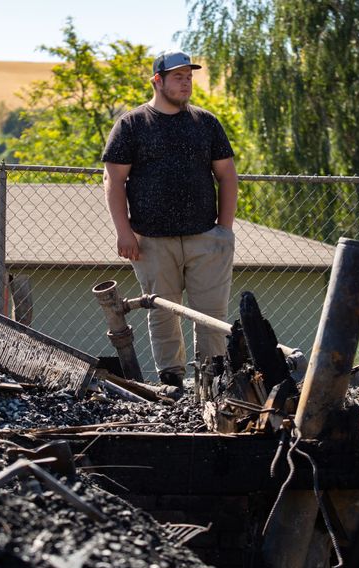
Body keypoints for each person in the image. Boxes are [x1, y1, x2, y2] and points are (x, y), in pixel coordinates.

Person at [101, 50, 238, 389]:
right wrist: (124, 231)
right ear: (157, 81)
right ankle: (172, 382)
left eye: (189, 76)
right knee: (162, 313)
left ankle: (213, 383)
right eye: (178, 76)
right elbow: (113, 181)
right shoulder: (131, 125)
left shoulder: (206, 123)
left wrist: (224, 230)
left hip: (207, 238)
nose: (186, 82)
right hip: (150, 241)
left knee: (211, 317)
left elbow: (228, 176)